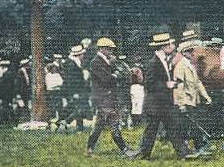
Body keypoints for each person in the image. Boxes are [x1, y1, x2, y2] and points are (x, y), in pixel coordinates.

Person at [128, 32, 194, 160]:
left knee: (172, 128)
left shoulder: (163, 60)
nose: (171, 46)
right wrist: (166, 85)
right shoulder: (153, 62)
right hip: (155, 104)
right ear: (163, 47)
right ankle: (143, 154)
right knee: (152, 131)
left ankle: (184, 153)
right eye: (169, 44)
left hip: (163, 104)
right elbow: (149, 84)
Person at [86, 38, 131, 156]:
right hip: (104, 98)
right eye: (109, 49)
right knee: (112, 123)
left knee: (101, 125)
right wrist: (117, 74)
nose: (111, 51)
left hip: (108, 98)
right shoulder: (95, 62)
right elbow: (106, 79)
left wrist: (115, 69)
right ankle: (124, 149)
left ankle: (90, 149)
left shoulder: (106, 60)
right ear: (102, 49)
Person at [173, 39, 213, 155]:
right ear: (184, 53)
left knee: (194, 125)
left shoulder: (190, 65)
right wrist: (180, 104)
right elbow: (178, 86)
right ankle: (188, 149)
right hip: (185, 101)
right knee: (188, 126)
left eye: (193, 50)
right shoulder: (181, 66)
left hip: (193, 100)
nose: (193, 53)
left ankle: (199, 146)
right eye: (190, 51)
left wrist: (206, 96)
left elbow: (198, 82)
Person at [62, 45, 89, 132]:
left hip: (79, 90)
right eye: (82, 54)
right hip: (76, 90)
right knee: (79, 109)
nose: (83, 56)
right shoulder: (71, 64)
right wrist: (74, 92)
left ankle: (79, 127)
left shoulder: (75, 62)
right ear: (79, 55)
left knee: (79, 108)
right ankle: (66, 122)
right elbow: (71, 80)